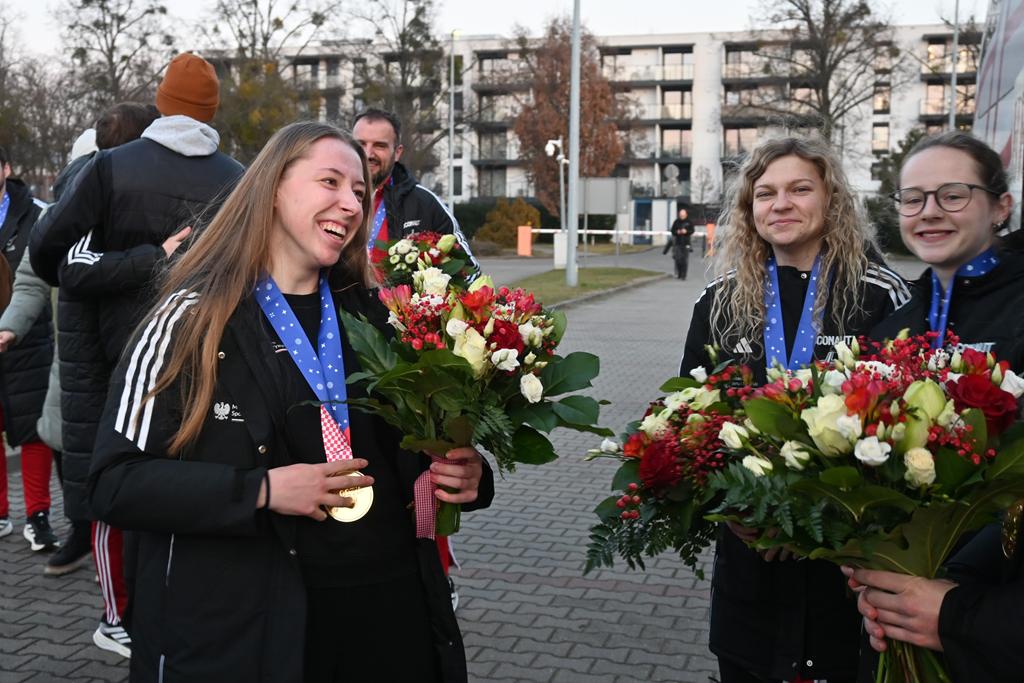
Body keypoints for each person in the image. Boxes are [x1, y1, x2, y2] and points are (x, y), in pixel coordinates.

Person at [86, 121, 494, 682]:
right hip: (260, 629)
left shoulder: (381, 318)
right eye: (329, 181)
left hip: (388, 616)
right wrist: (265, 490)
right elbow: (113, 482)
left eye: (358, 191)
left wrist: (465, 475)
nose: (349, 203)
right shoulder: (192, 319)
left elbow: (413, 449)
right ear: (273, 187)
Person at [29, 54, 244, 659]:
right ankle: (175, 608)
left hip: (115, 359)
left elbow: (51, 254)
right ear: (212, 112)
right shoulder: (238, 177)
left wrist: (111, 270)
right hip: (207, 360)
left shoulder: (109, 168)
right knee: (185, 485)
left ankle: (122, 615)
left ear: (161, 101)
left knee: (120, 485)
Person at [679, 136, 911, 683]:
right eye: (765, 194)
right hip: (749, 578)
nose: (780, 204)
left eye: (799, 189)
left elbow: (910, 437)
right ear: (749, 210)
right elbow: (686, 421)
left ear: (831, 200)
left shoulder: (882, 296)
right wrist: (730, 506)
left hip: (852, 582)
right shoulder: (719, 303)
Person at [846, 131, 1022, 683]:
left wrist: (957, 610)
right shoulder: (892, 327)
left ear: (1001, 207)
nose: (929, 212)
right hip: (908, 620)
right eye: (913, 198)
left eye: (953, 194)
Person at [353, 106, 477, 606]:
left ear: (396, 152)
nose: (369, 153)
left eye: (379, 145)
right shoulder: (338, 196)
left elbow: (467, 272)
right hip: (345, 356)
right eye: (361, 142)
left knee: (424, 471)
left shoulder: (420, 202)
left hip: (409, 365)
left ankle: (436, 570)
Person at [0, 146, 57, 554]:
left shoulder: (37, 211)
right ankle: (1, 512)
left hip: (30, 340)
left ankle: (37, 516)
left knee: (33, 430)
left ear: (6, 168)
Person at [663, 205, 694, 279]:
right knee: (678, 259)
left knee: (685, 260)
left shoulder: (689, 222)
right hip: (678, 243)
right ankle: (679, 273)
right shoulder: (676, 222)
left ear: (686, 215)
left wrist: (686, 231)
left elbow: (692, 231)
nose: (682, 216)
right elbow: (672, 231)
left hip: (686, 243)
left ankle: (684, 275)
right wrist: (677, 232)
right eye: (681, 215)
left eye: (683, 215)